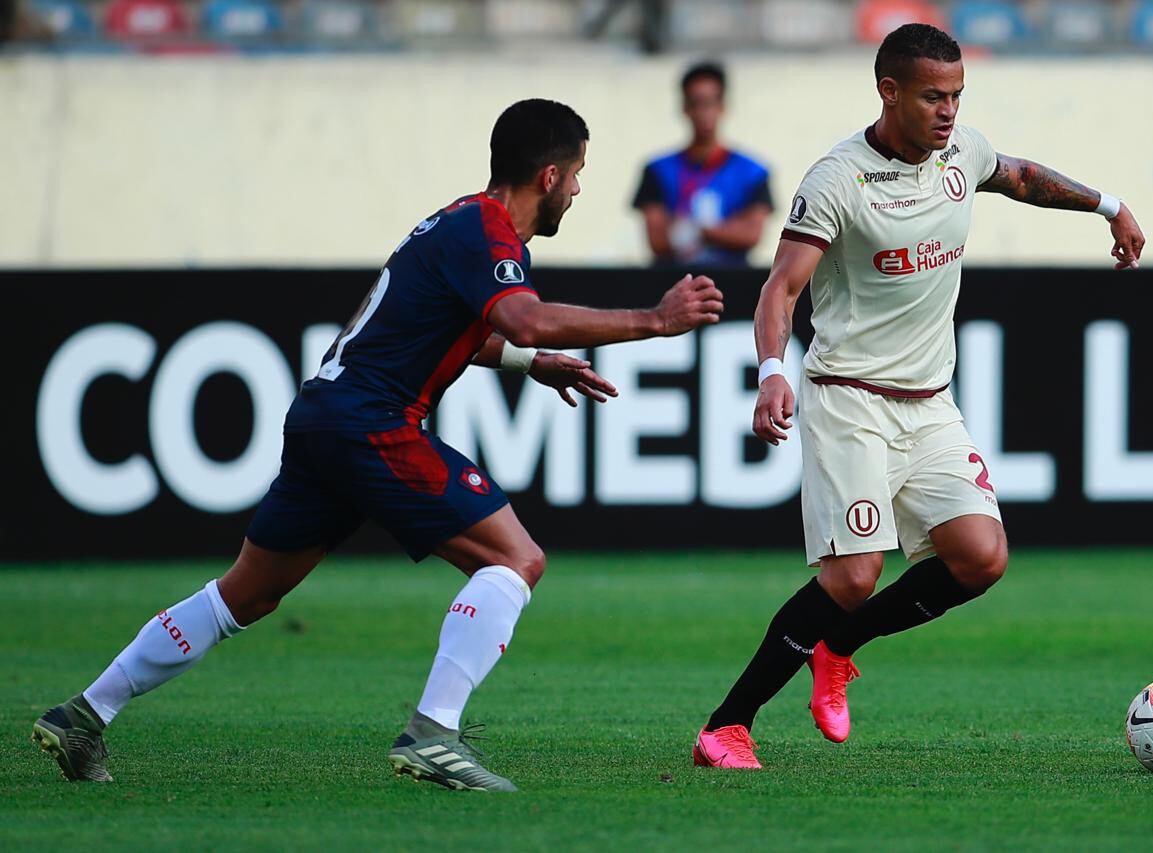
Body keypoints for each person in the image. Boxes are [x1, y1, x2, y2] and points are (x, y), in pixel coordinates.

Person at [32, 98, 724, 792]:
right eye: (576, 174)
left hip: (323, 418)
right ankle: (433, 733)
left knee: (242, 594)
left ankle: (84, 713)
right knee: (516, 557)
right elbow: (529, 318)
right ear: (547, 175)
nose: (577, 189)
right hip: (374, 421)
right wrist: (654, 319)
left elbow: (446, 328)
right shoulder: (486, 233)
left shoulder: (455, 222)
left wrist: (526, 364)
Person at [693, 23, 1145, 769]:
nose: (949, 112)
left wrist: (1109, 205)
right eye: (934, 96)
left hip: (930, 401)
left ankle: (839, 644)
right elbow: (782, 286)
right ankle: (728, 724)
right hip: (850, 398)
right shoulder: (837, 180)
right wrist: (773, 370)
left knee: (980, 557)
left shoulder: (959, 154)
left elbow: (1022, 176)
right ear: (889, 91)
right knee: (852, 573)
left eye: (958, 95)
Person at [632, 61, 773, 268]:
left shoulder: (752, 172)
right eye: (696, 103)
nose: (703, 112)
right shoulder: (658, 170)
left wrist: (693, 231)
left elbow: (752, 234)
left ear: (723, 107)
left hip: (734, 286)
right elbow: (657, 240)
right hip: (673, 285)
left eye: (709, 102)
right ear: (685, 108)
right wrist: (728, 230)